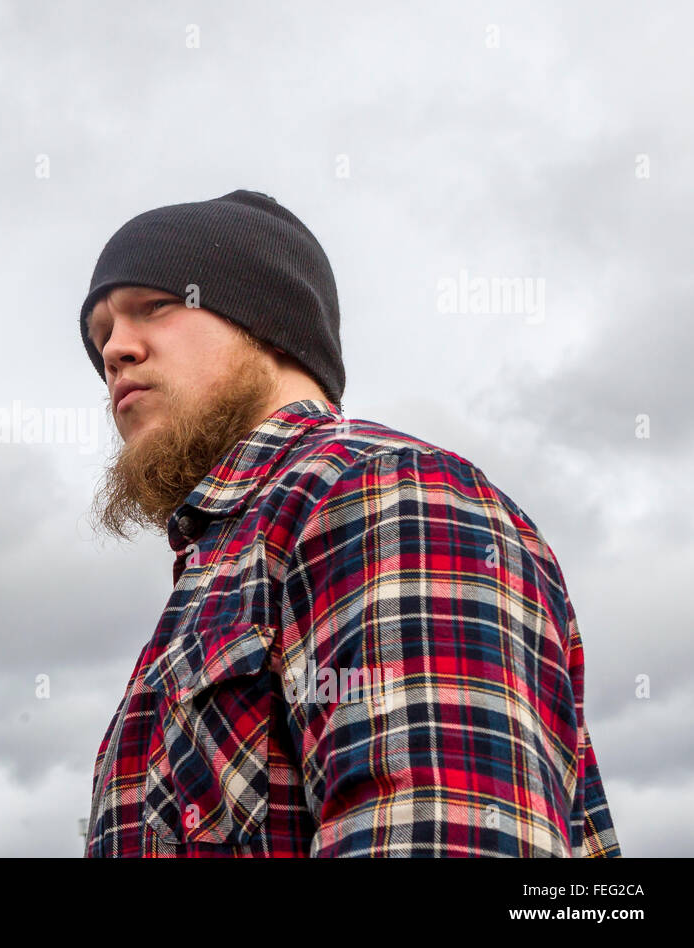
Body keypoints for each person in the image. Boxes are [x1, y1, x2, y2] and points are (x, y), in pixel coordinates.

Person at [78, 190, 621, 857]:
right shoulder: (220, 572)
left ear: (266, 320)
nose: (115, 350)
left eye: (153, 307)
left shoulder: (383, 492)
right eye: (101, 333)